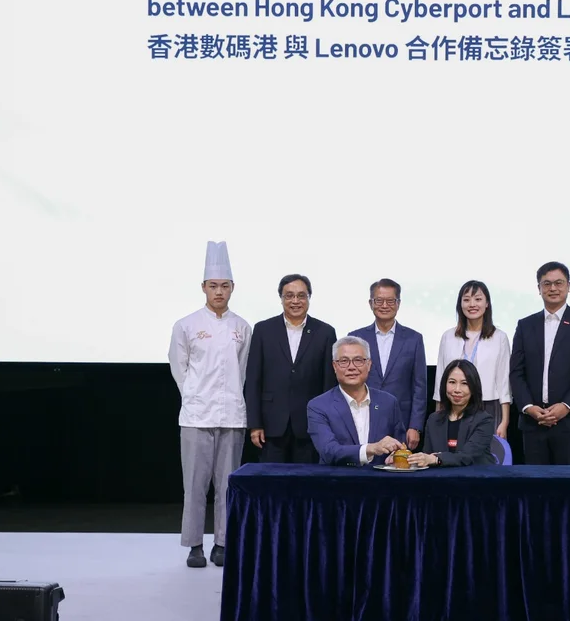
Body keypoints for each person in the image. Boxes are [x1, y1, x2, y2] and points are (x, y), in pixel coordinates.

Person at [167, 241, 251, 569]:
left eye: (224, 286)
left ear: (232, 288)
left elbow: (243, 370)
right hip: (195, 416)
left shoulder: (242, 327)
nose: (219, 291)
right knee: (195, 486)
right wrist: (194, 396)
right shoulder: (186, 325)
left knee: (228, 485)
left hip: (232, 416)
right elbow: (179, 368)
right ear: (203, 287)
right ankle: (194, 545)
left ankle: (222, 543)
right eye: (213, 285)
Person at [509, 262, 570, 465]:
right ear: (539, 288)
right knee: (535, 482)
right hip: (533, 423)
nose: (553, 288)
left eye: (559, 283)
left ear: (568, 286)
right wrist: (529, 407)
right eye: (547, 283)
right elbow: (516, 372)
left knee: (567, 482)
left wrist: (566, 407)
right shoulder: (525, 325)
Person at [244, 274, 338, 463]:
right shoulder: (263, 330)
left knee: (306, 479)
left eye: (301, 296)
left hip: (310, 425)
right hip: (270, 426)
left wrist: (326, 425)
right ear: (281, 298)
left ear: (309, 297)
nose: (295, 301)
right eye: (289, 296)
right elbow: (253, 379)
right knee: (271, 479)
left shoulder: (325, 332)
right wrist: (255, 424)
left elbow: (329, 383)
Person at [349, 278, 427, 450]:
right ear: (370, 303)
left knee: (397, 465)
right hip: (362, 418)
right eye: (379, 300)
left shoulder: (414, 339)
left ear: (398, 303)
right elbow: (349, 382)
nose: (384, 305)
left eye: (390, 301)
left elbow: (419, 387)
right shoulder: (356, 338)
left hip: (401, 421)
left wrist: (415, 426)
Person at [307, 337, 406, 467]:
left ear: (369, 364)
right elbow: (328, 451)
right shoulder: (318, 406)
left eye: (358, 360)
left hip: (380, 478)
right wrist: (371, 448)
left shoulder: (388, 402)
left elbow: (400, 444)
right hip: (337, 478)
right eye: (344, 361)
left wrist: (396, 454)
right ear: (334, 366)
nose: (352, 367)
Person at [434, 280, 512, 440]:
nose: (472, 304)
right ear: (460, 304)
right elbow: (440, 378)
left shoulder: (499, 337)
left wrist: (504, 421)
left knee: (485, 452)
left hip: (488, 405)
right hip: (453, 405)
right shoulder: (448, 337)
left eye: (478, 299)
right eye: (466, 299)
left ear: (487, 304)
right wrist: (438, 414)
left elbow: (504, 382)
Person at [403, 359, 494, 467]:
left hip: (475, 476)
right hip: (440, 477)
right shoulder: (433, 420)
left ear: (474, 387)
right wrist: (402, 458)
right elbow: (427, 458)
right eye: (452, 382)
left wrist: (436, 459)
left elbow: (466, 457)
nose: (457, 389)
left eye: (464, 383)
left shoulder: (484, 420)